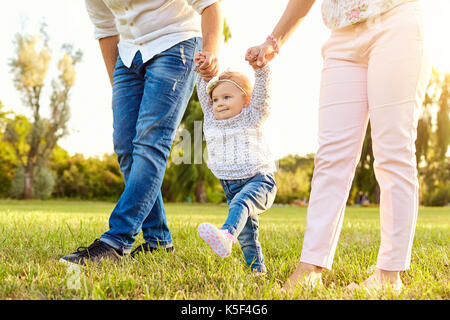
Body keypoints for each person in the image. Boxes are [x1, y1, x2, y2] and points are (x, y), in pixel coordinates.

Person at [246, 0, 430, 292]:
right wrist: (274, 40)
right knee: (331, 156)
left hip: (396, 21)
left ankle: (389, 275)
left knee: (393, 152)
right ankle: (310, 267)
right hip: (342, 36)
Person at [60, 0, 223, 265]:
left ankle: (116, 240)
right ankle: (159, 241)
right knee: (125, 147)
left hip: (176, 44)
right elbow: (105, 30)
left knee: (150, 142)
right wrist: (120, 94)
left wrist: (211, 51)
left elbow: (209, 5)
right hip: (127, 55)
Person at [194, 51, 277, 274]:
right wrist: (202, 69)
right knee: (248, 236)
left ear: (246, 100)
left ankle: (226, 234)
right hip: (229, 184)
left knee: (240, 204)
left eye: (227, 97)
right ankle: (257, 271)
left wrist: (261, 69)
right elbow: (203, 91)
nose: (219, 103)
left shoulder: (252, 115)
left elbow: (263, 96)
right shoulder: (211, 119)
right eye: (216, 99)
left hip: (260, 181)